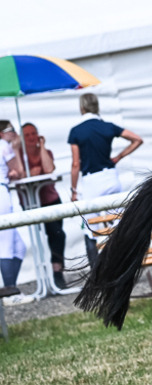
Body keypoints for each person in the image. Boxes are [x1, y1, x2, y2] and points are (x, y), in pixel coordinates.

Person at [68, 93, 144, 264]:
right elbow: (137, 140)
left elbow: (75, 165)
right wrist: (118, 157)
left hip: (91, 181)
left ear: (82, 108)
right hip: (110, 177)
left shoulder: (76, 131)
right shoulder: (108, 127)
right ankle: (124, 262)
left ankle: (96, 270)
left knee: (90, 227)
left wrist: (74, 190)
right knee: (117, 222)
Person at [20, 123, 67, 289]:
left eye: (34, 134)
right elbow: (19, 175)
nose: (32, 138)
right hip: (31, 202)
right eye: (27, 135)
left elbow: (49, 169)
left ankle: (57, 271)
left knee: (58, 235)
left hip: (50, 200)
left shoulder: (46, 153)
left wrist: (42, 147)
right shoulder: (18, 156)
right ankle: (41, 274)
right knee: (37, 238)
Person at [0, 121, 29, 305]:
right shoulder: (5, 146)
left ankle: (11, 288)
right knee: (6, 244)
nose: (14, 133)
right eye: (11, 130)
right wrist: (17, 148)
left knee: (19, 247)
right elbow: (19, 172)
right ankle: (10, 293)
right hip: (2, 194)